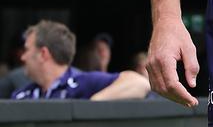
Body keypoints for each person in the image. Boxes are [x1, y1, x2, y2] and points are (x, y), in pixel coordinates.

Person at [11, 20, 150, 101]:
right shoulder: (22, 95)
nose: (23, 57)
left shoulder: (82, 82)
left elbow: (139, 83)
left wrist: (90, 105)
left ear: (43, 54)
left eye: (27, 50)